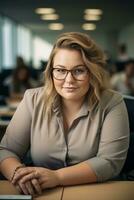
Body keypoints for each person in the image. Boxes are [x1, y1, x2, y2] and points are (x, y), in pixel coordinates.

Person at [0, 32, 129, 196]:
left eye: (79, 71)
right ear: (51, 72)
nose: (69, 80)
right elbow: (6, 150)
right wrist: (19, 174)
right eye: (60, 70)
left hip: (94, 192)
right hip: (41, 192)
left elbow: (110, 162)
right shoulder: (32, 99)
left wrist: (57, 177)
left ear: (92, 72)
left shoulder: (112, 103)